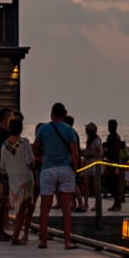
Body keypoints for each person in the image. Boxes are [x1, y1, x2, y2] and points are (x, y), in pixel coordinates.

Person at [31, 102, 81, 249]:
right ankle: (67, 241)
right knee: (66, 209)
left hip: (48, 169)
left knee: (45, 208)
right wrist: (75, 171)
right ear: (64, 115)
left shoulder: (43, 129)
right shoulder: (70, 130)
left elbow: (36, 148)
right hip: (65, 169)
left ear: (51, 114)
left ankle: (43, 241)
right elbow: (75, 153)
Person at [0, 120, 36, 243]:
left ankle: (17, 235)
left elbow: (2, 167)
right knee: (22, 210)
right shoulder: (24, 143)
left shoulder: (4, 145)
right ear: (21, 129)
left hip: (13, 181)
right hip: (26, 180)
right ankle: (15, 236)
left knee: (18, 209)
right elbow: (30, 161)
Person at [0, 110, 22, 240]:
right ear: (5, 119)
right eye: (11, 117)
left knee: (3, 203)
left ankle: (1, 230)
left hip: (8, 173)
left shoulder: (9, 134)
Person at [102, 119, 128, 211]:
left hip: (113, 163)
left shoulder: (113, 137)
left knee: (114, 184)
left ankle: (117, 203)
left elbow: (111, 150)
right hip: (113, 163)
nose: (109, 128)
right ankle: (117, 203)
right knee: (113, 184)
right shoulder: (116, 137)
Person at [79, 120, 103, 206]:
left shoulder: (96, 140)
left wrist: (89, 153)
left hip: (95, 165)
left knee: (95, 185)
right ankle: (86, 203)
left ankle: (97, 204)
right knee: (85, 183)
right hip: (88, 164)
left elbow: (100, 153)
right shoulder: (89, 140)